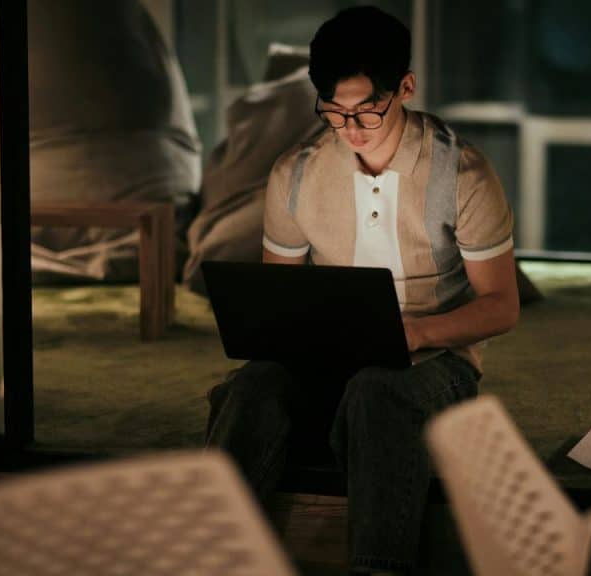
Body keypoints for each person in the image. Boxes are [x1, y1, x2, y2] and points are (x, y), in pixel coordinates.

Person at [204, 6, 519, 574]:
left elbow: (501, 306)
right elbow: (276, 297)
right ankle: (216, 559)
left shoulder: (461, 173)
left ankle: (379, 568)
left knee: (379, 391)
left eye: (367, 109)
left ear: (405, 88)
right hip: (327, 358)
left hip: (435, 363)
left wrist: (416, 332)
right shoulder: (296, 174)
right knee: (252, 387)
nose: (350, 127)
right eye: (333, 111)